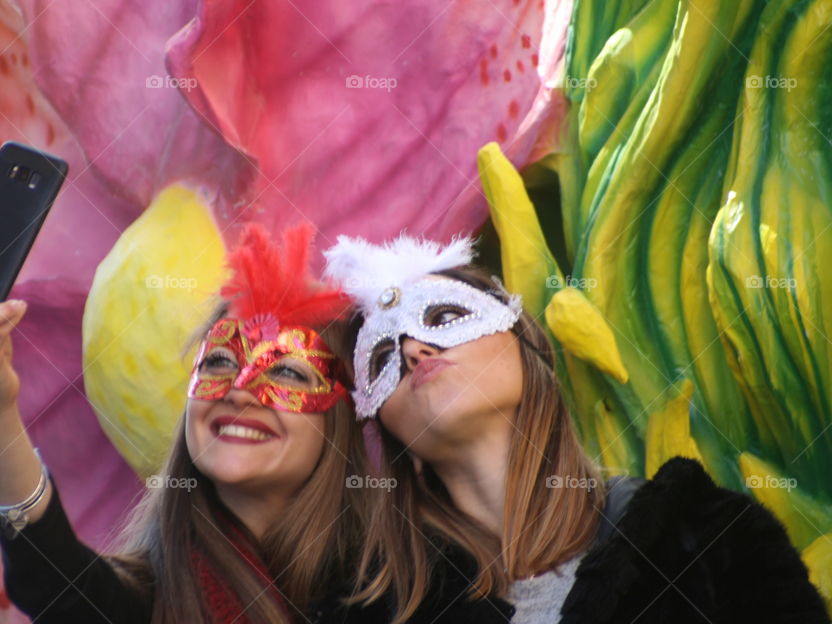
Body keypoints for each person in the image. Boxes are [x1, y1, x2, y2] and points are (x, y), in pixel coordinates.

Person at [324, 234, 830, 624]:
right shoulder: (369, 611)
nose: (415, 350)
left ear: (527, 350)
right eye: (384, 355)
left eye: (445, 316)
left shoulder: (710, 539)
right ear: (392, 437)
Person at [0, 223, 375, 624]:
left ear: (340, 419)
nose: (239, 389)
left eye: (288, 372)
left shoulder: (402, 594)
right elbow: (52, 577)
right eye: (218, 362)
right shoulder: (137, 606)